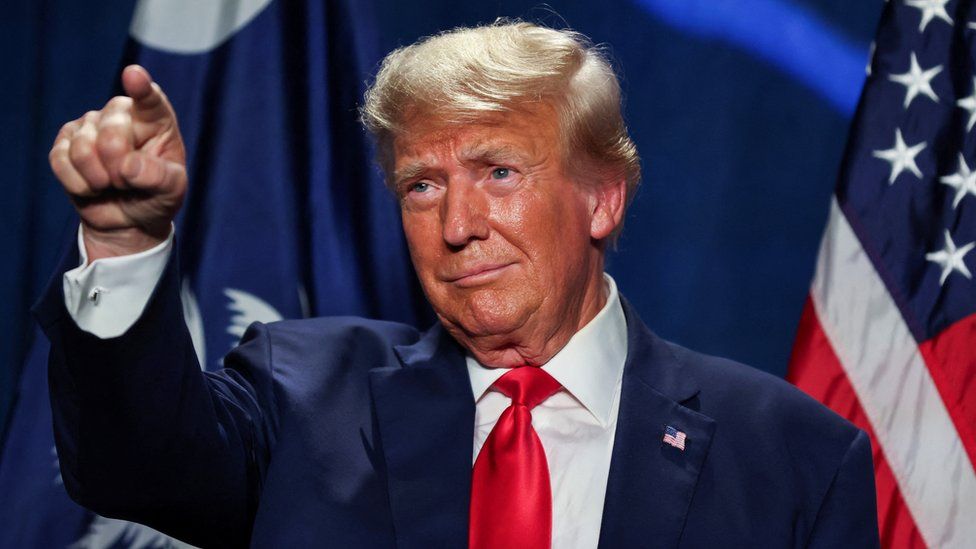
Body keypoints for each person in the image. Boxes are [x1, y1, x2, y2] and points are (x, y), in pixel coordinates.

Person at [39, 22, 880, 548]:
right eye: (422, 186)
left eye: (500, 171)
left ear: (603, 197)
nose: (457, 226)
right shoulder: (302, 397)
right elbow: (131, 465)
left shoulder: (792, 456)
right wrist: (124, 238)